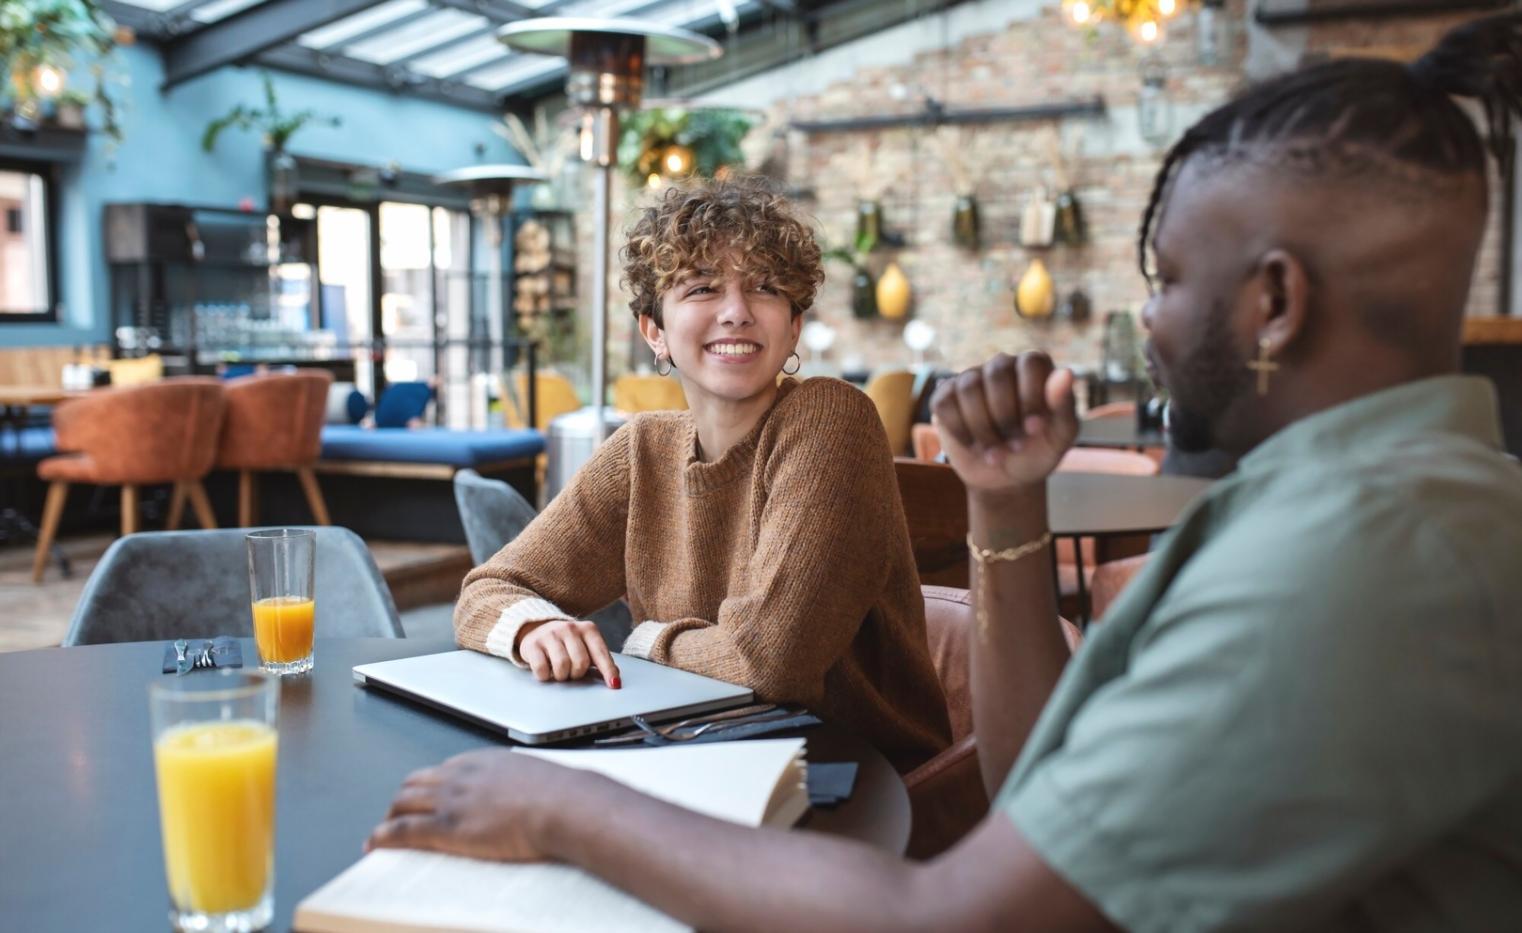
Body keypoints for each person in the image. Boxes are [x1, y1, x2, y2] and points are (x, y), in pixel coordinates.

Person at [373, 15, 1522, 930]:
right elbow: (1035, 778)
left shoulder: (1361, 559)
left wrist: (564, 805)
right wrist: (1006, 500)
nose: (1147, 318)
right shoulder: (1338, 509)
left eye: (1165, 277)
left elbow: (945, 914)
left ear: (1272, 302)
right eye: (698, 294)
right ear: (651, 331)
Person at [453, 176, 951, 773]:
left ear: (793, 326)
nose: (736, 312)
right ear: (654, 331)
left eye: (765, 288)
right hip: (703, 761)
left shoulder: (829, 419)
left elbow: (771, 663)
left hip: (860, 783)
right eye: (702, 288)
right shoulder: (642, 450)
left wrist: (640, 642)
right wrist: (533, 626)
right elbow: (486, 589)